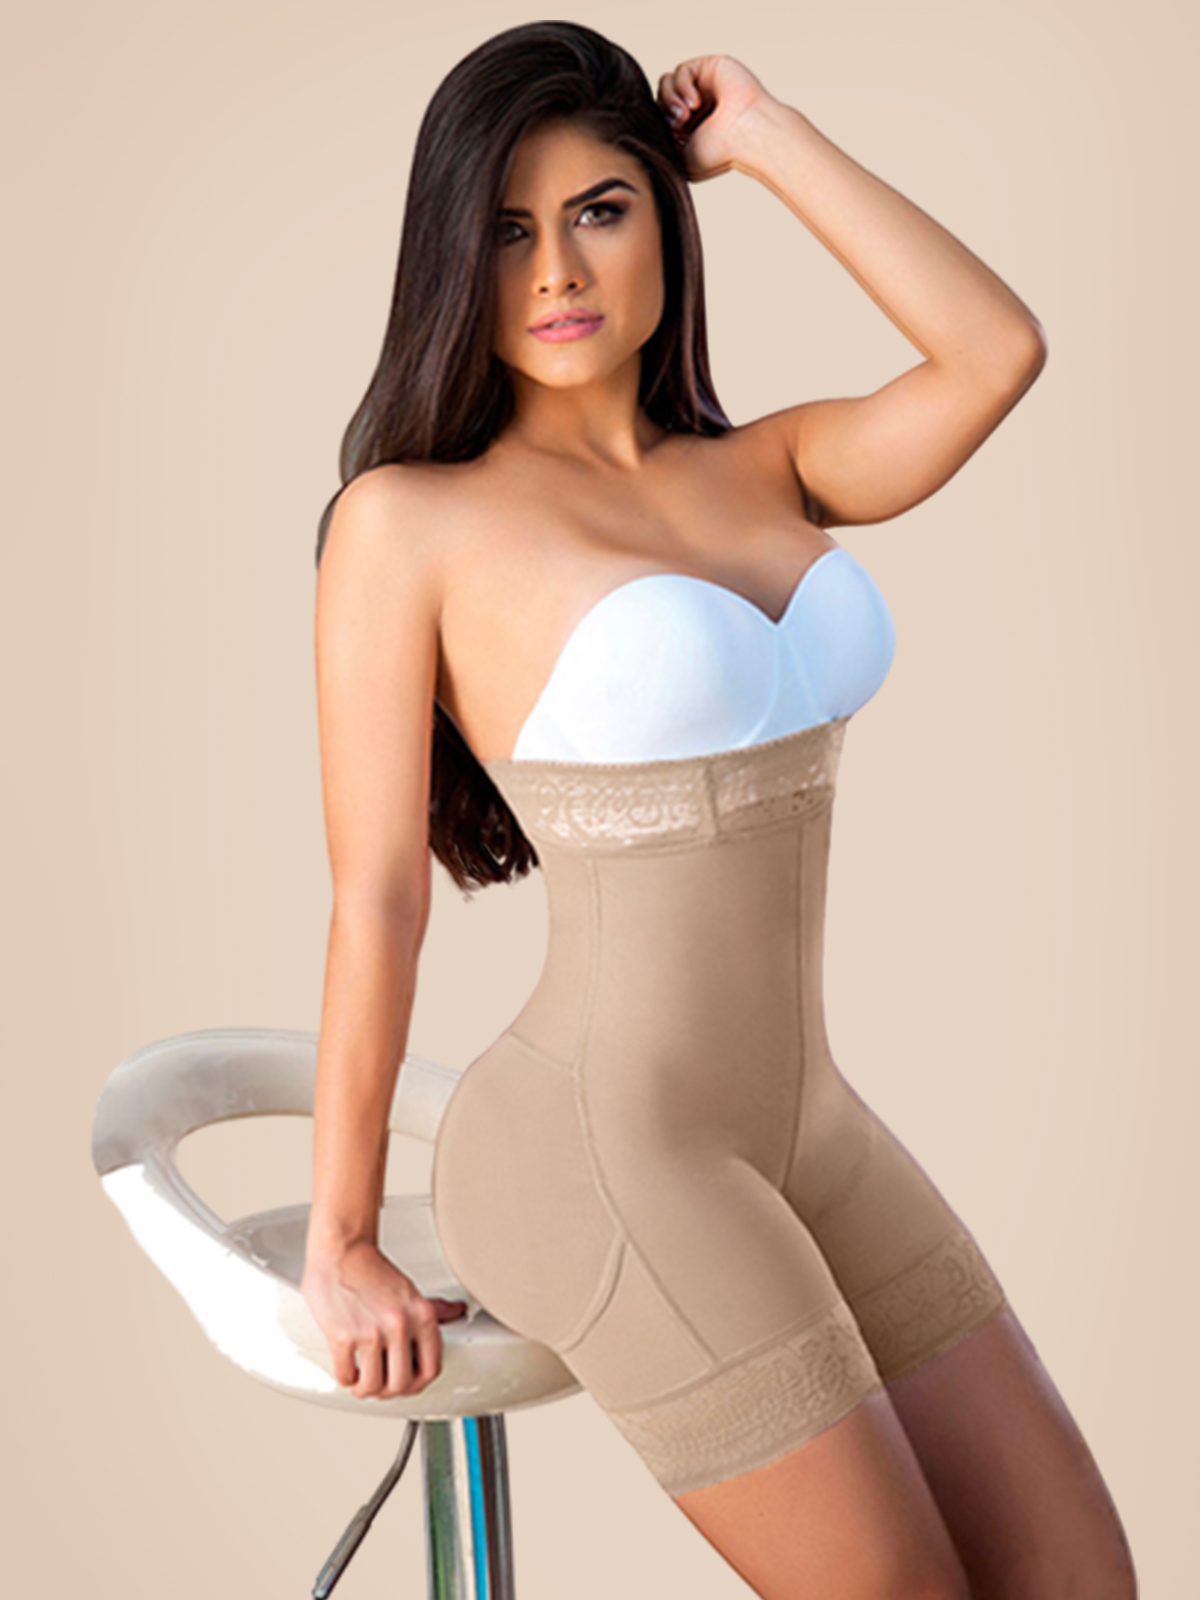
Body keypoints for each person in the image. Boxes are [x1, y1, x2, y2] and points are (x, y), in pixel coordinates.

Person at [300, 21, 1137, 1599]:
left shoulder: (770, 466)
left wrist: (762, 134)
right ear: (451, 258)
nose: (558, 269)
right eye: (508, 229)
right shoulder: (407, 525)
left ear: (666, 223)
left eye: (601, 210)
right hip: (594, 1149)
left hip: (806, 1129)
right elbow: (378, 898)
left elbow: (995, 353)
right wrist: (341, 1239)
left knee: (1080, 1577)